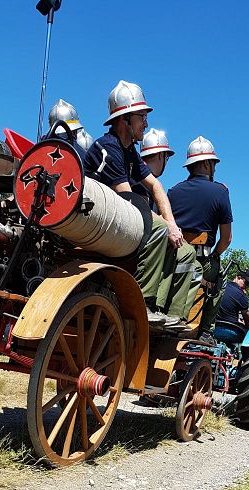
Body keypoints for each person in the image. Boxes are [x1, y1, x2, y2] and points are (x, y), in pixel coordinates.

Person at [84, 81, 184, 327]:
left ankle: (163, 308)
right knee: (159, 230)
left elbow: (156, 186)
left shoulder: (129, 152)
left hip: (111, 220)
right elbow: (129, 201)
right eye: (142, 116)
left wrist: (172, 223)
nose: (146, 123)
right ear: (125, 119)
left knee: (176, 241)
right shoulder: (108, 148)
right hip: (94, 220)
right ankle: (142, 302)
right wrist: (166, 226)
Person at [168, 136, 233, 344]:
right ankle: (205, 331)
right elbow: (227, 239)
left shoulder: (173, 191)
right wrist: (214, 255)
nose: (214, 168)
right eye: (213, 163)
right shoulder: (220, 192)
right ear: (206, 163)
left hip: (172, 257)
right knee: (219, 283)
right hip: (200, 260)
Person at [136, 129, 201, 326]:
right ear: (161, 156)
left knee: (195, 267)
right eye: (166, 157)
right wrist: (168, 227)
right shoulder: (139, 180)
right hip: (140, 239)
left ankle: (173, 313)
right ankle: (157, 306)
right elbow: (139, 208)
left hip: (145, 236)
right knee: (185, 251)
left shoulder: (150, 182)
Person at [213, 269, 249, 344]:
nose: (247, 286)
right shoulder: (241, 295)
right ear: (238, 277)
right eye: (246, 283)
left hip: (213, 327)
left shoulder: (221, 287)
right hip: (230, 331)